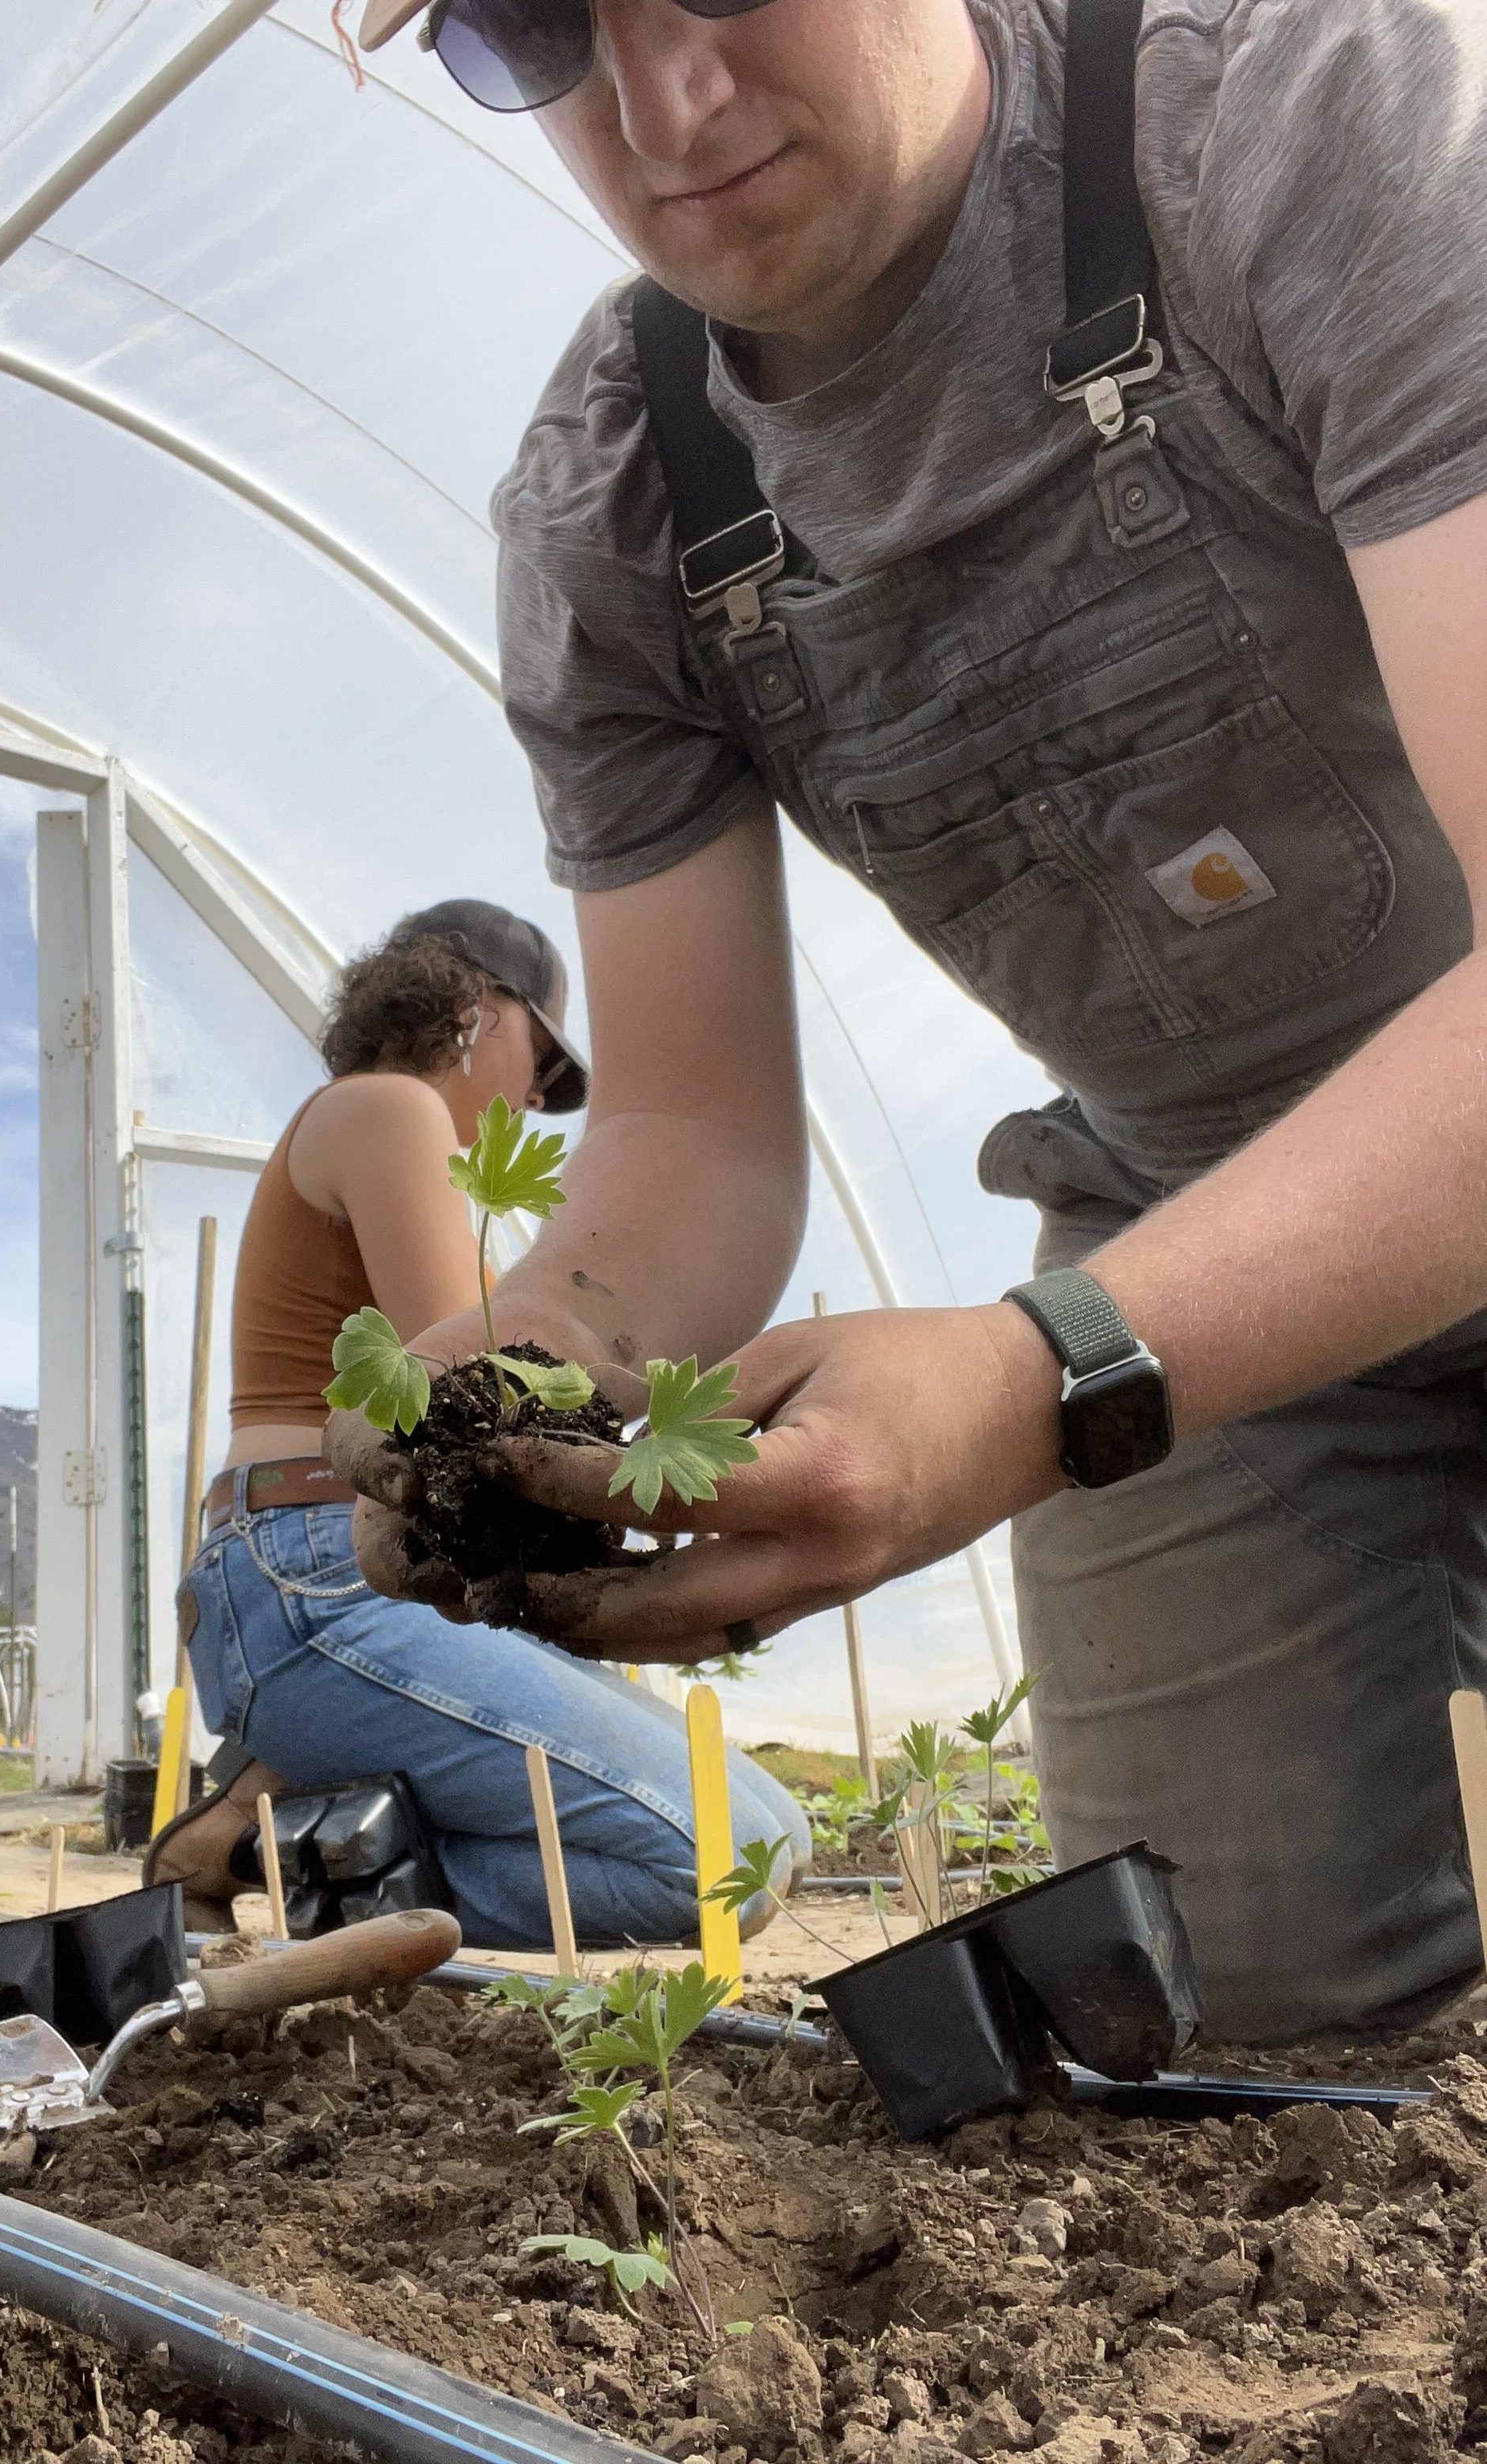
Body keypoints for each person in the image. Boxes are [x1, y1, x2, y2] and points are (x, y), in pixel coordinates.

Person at [331, 0, 1487, 2043]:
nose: (665, 106)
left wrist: (1049, 1381)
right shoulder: (621, 504)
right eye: (531, 28)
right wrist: (529, 1382)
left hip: (1194, 1287)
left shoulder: (1289, 121)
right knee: (1233, 2028)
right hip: (1183, 1221)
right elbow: (692, 1148)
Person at [144, 897, 811, 1944]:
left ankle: (312, 1838)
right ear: (476, 1007)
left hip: (377, 1574)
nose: (541, 1095)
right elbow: (471, 1381)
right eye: (543, 1057)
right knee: (718, 1862)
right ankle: (277, 1848)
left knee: (771, 1840)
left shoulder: (410, 1158)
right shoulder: (387, 1109)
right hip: (318, 1573)